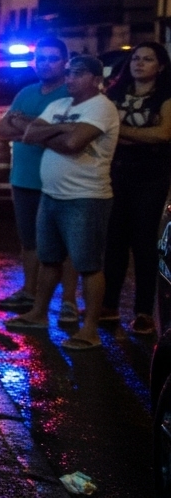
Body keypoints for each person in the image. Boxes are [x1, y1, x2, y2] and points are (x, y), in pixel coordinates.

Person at [8, 55, 120, 351]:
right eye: (69, 73)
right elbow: (30, 135)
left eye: (78, 74)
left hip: (86, 197)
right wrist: (63, 130)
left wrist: (58, 133)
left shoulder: (101, 107)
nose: (70, 78)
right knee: (49, 259)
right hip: (52, 194)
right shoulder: (58, 106)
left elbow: (74, 144)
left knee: (88, 265)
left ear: (96, 78)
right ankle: (39, 314)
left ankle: (90, 330)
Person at [0, 37, 79, 322]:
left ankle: (68, 301)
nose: (45, 63)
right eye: (40, 58)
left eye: (52, 58)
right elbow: (2, 130)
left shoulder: (71, 94)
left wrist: (25, 125)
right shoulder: (26, 92)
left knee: (64, 244)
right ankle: (28, 291)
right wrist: (36, 131)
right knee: (28, 240)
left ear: (65, 62)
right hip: (24, 178)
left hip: (58, 181)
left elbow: (67, 134)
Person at [102, 42, 171, 334]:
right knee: (114, 240)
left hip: (151, 176)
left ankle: (144, 312)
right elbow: (99, 127)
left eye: (147, 59)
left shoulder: (165, 97)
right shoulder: (114, 94)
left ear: (161, 67)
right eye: (135, 59)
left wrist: (121, 132)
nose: (139, 63)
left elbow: (163, 134)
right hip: (115, 173)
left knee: (144, 243)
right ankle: (108, 305)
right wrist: (143, 135)